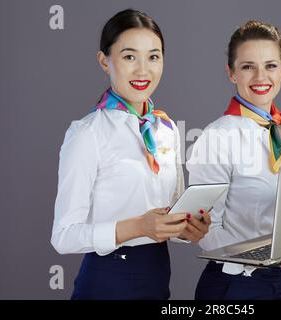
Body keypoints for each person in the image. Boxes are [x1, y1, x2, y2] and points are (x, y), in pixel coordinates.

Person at [51, 9, 210, 300]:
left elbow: (170, 214)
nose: (142, 71)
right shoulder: (88, 133)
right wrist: (138, 226)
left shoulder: (167, 129)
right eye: (128, 57)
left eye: (153, 56)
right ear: (104, 61)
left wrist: (187, 228)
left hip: (157, 278)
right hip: (106, 281)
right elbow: (63, 237)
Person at [187, 20, 281, 300]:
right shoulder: (216, 136)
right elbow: (204, 228)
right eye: (248, 66)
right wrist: (254, 258)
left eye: (271, 66)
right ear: (231, 73)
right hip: (235, 284)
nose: (260, 76)